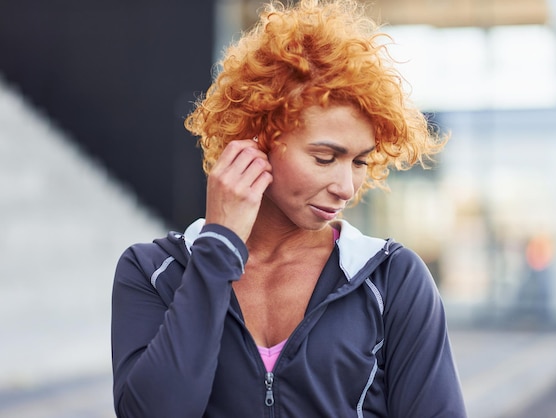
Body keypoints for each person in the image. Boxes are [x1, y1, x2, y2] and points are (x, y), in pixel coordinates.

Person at [111, 0, 467, 416]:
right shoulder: (154, 271)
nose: (346, 187)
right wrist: (217, 249)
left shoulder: (392, 279)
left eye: (359, 161)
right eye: (324, 158)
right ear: (257, 138)